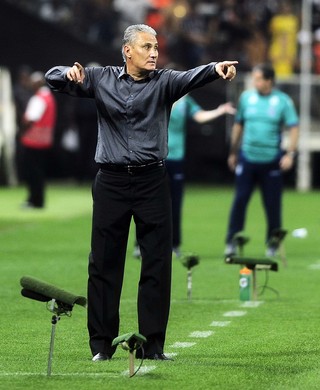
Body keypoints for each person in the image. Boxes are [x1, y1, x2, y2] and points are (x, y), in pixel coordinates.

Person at [45, 24, 237, 362]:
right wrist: (67, 72)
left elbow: (191, 76)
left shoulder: (165, 82)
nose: (154, 53)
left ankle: (154, 346)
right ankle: (101, 346)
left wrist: (215, 69)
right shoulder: (100, 78)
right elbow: (52, 77)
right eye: (147, 47)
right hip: (111, 183)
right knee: (104, 264)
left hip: (152, 182)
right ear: (127, 51)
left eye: (156, 48)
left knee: (157, 265)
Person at [133, 95, 236, 258]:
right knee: (148, 202)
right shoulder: (155, 95)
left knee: (175, 203)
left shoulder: (186, 101)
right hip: (154, 157)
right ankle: (140, 244)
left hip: (176, 159)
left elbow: (199, 116)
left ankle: (174, 245)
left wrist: (219, 111)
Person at [224, 63, 299, 257]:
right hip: (248, 158)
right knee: (240, 200)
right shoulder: (247, 98)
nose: (255, 82)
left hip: (271, 160)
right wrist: (233, 152)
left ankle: (273, 243)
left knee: (273, 204)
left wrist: (290, 153)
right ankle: (232, 241)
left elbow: (294, 127)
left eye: (258, 79)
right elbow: (239, 125)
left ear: (269, 81)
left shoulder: (283, 101)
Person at [20, 71, 57, 208]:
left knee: (32, 172)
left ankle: (34, 200)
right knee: (39, 171)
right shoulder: (49, 97)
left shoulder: (39, 98)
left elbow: (31, 118)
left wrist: (22, 130)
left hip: (34, 141)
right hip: (45, 140)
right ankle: (37, 200)